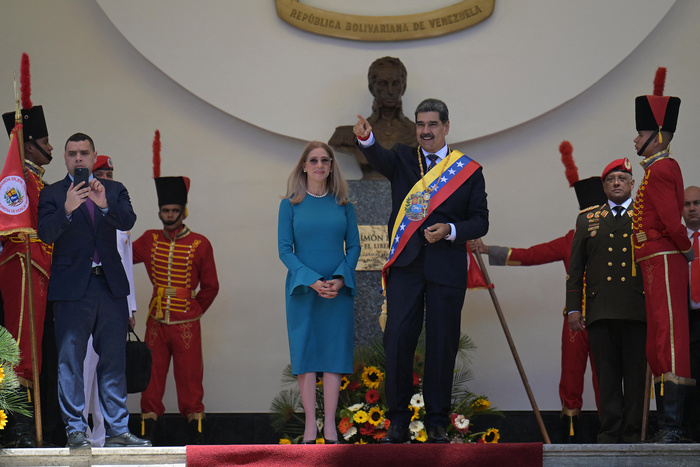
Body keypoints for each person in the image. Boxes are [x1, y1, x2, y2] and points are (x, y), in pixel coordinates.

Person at [353, 98, 489, 443]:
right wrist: (367, 139)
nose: (425, 131)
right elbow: (377, 157)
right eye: (420, 125)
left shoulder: (469, 171)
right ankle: (397, 421)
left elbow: (480, 221)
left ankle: (437, 421)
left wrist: (451, 230)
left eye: (432, 125)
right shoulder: (402, 157)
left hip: (446, 266)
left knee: (442, 344)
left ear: (445, 127)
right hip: (406, 266)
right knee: (397, 339)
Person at [470, 158, 606, 443]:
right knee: (570, 376)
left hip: (608, 317)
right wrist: (486, 249)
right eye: (589, 213)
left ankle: (610, 429)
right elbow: (531, 255)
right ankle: (570, 430)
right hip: (575, 319)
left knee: (605, 377)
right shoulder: (571, 239)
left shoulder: (623, 237)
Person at [37, 133, 150, 448]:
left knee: (113, 360)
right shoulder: (53, 193)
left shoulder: (113, 190)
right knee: (71, 360)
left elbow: (128, 220)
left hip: (109, 286)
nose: (78, 158)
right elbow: (45, 233)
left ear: (93, 155)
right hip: (73, 289)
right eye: (72, 153)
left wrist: (103, 206)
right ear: (64, 157)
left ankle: (117, 430)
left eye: (84, 153)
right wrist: (68, 209)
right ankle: (75, 428)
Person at [277, 141, 360, 443]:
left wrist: (339, 278)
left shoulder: (344, 205)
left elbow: (354, 247)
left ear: (331, 166)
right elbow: (285, 250)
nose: (319, 166)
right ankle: (310, 424)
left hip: (338, 290)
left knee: (334, 356)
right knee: (307, 354)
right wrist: (312, 280)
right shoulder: (290, 205)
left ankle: (331, 425)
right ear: (303, 166)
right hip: (303, 290)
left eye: (325, 160)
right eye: (313, 161)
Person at [631, 68, 694, 443]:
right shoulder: (655, 169)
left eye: (641, 132)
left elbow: (672, 219)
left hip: (667, 259)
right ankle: (668, 422)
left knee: (669, 341)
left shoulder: (663, 168)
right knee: (658, 342)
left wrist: (685, 252)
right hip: (655, 262)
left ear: (656, 137)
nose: (636, 138)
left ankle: (674, 425)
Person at [133, 172, 219, 445]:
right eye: (165, 211)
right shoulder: (149, 239)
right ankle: (147, 437)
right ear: (159, 212)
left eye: (175, 211)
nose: (170, 215)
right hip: (156, 322)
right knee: (151, 380)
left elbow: (211, 286)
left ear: (184, 211)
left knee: (191, 380)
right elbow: (120, 256)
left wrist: (194, 310)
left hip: (187, 324)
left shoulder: (200, 243)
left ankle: (196, 440)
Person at [566, 158, 647, 443]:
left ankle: (635, 431)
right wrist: (574, 308)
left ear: (632, 184)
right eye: (611, 179)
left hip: (637, 308)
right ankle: (611, 430)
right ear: (603, 186)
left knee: (636, 376)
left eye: (622, 178)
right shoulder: (587, 219)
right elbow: (576, 270)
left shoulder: (645, 215)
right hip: (600, 309)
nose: (616, 183)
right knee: (607, 375)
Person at [0, 87, 53, 447]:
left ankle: (28, 423)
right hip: (21, 265)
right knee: (19, 347)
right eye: (46, 142)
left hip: (37, 268)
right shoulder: (21, 181)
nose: (51, 148)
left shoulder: (38, 180)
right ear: (29, 145)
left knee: (32, 349)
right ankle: (17, 426)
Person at [82, 155, 137, 447]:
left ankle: (107, 433)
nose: (107, 177)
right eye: (101, 172)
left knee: (111, 370)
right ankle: (81, 431)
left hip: (114, 301)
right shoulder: (83, 207)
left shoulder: (121, 215)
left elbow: (125, 265)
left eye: (111, 172)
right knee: (84, 369)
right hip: (86, 300)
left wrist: (131, 307)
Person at [329, 56, 416, 179]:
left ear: (404, 87)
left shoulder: (418, 134)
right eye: (383, 84)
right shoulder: (346, 136)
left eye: (395, 84)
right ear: (371, 88)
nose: (390, 91)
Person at [683, 185, 700, 441]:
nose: (693, 208)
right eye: (687, 204)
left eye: (697, 202)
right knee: (691, 378)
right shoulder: (674, 241)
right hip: (686, 319)